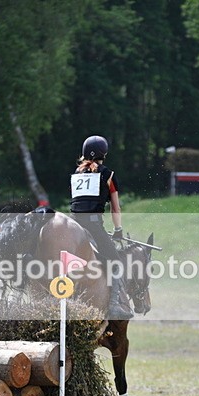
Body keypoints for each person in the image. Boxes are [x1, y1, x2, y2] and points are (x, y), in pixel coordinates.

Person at [69, 135, 134, 320]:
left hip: (73, 224)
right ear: (103, 154)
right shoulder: (107, 175)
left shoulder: (76, 173)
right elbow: (115, 208)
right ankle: (114, 305)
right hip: (93, 225)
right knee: (115, 262)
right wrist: (118, 230)